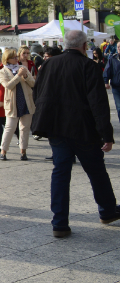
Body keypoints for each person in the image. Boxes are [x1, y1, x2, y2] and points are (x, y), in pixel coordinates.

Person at [31, 29, 119, 237]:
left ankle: (59, 223)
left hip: (56, 128)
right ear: (84, 46)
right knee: (96, 171)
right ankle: (107, 211)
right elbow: (98, 103)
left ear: (64, 44)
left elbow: (38, 93)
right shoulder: (89, 66)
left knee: (60, 173)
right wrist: (106, 134)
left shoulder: (49, 64)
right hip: (83, 129)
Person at [0, 49, 35, 161]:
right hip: (13, 103)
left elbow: (33, 83)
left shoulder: (23, 68)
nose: (16, 59)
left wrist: (26, 76)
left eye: (16, 57)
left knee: (24, 128)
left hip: (26, 101)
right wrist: (18, 76)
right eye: (13, 57)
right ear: (7, 59)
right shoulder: (2, 71)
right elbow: (8, 85)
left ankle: (23, 151)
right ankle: (3, 151)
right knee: (9, 127)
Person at [104, 48, 119, 118]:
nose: (118, 48)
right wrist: (106, 81)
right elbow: (107, 70)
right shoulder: (113, 59)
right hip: (117, 87)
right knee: (119, 108)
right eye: (118, 47)